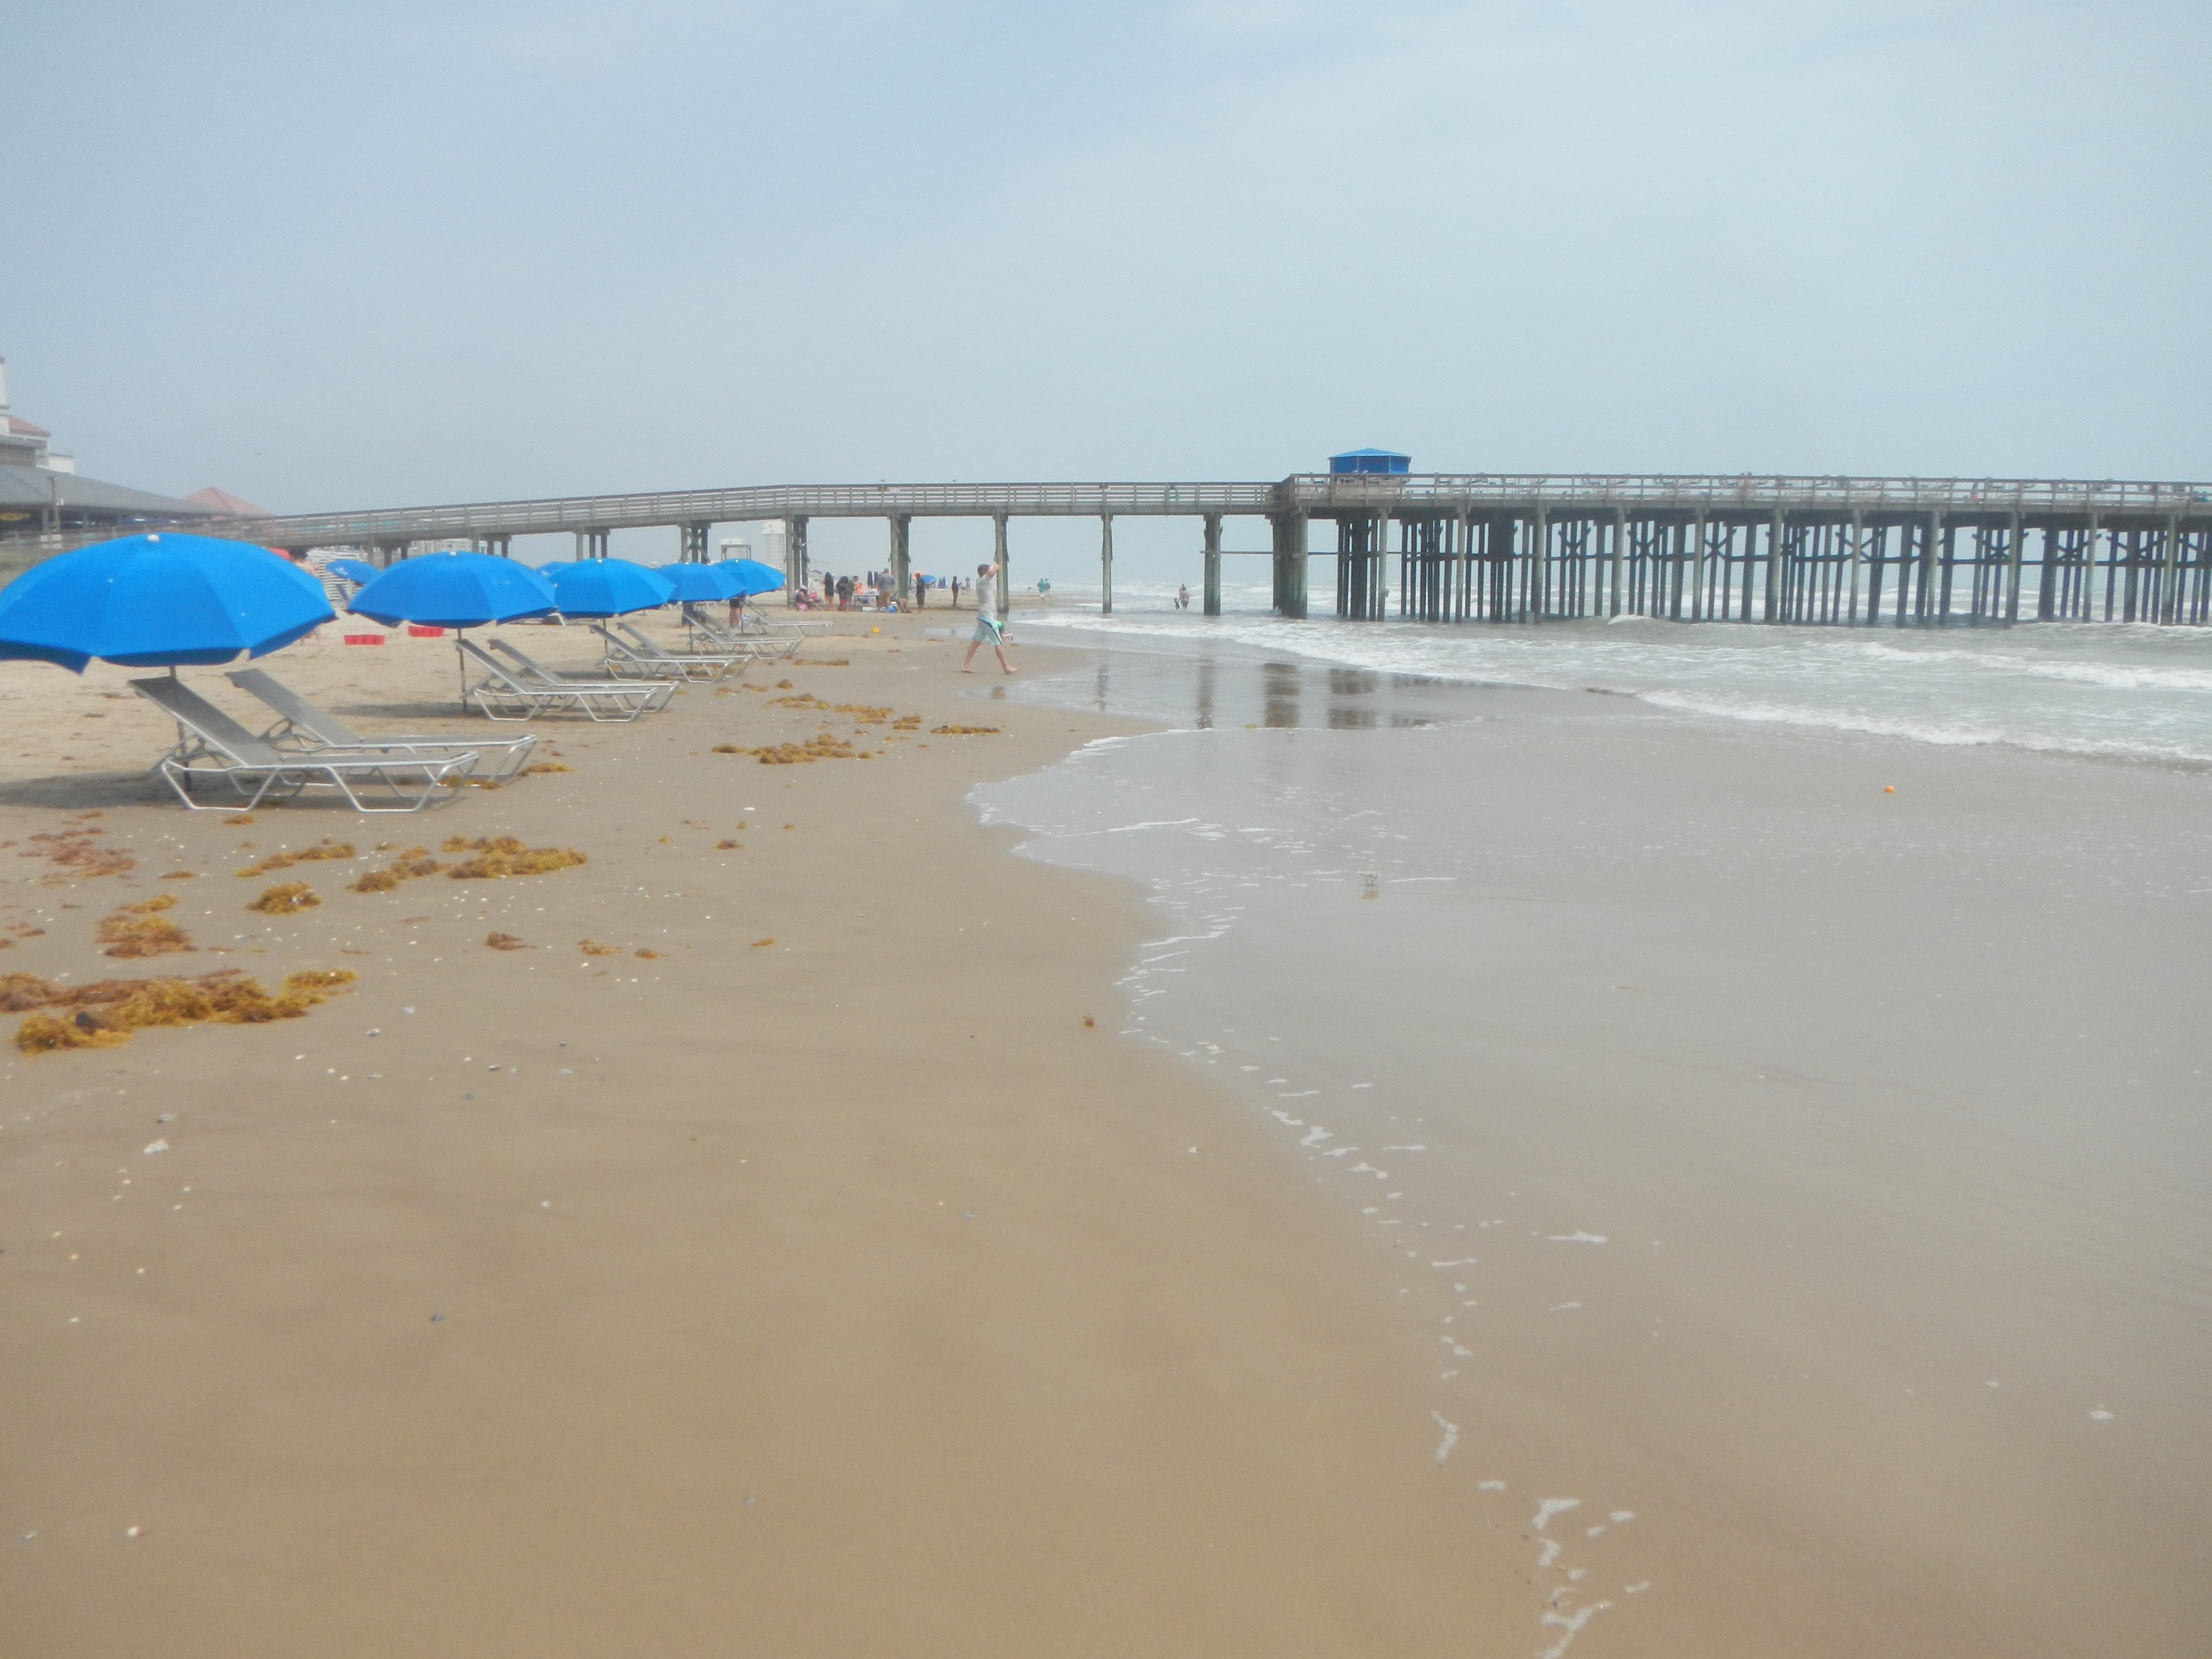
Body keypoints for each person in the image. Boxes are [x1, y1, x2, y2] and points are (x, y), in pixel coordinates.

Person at [961, 561, 1015, 674]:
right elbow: (992, 571)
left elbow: (992, 572)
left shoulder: (982, 582)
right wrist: (998, 565)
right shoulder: (982, 581)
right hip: (987, 617)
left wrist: (996, 569)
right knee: (998, 642)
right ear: (984, 573)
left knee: (976, 643)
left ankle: (965, 666)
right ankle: (1006, 668)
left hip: (983, 617)